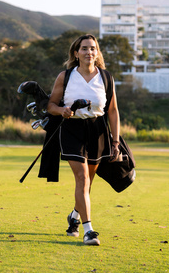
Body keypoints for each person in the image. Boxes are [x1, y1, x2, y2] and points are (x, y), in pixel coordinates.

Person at [47, 34, 121, 246]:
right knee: (82, 178)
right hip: (72, 129)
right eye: (85, 48)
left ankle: (74, 216)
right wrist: (62, 110)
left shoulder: (106, 77)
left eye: (93, 48)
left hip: (97, 131)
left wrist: (115, 142)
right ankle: (89, 230)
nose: (89, 52)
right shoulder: (66, 76)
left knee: (88, 182)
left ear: (97, 53)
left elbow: (113, 111)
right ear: (76, 53)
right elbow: (51, 105)